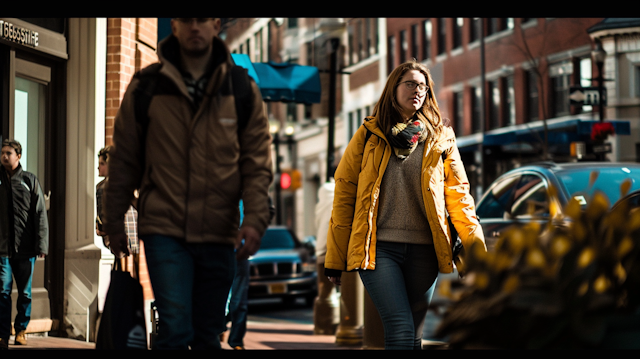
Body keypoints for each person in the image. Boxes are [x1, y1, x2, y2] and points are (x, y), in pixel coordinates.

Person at [102, 18, 273, 350]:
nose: (195, 27)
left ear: (215, 25)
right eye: (186, 19)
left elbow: (256, 163)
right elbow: (124, 161)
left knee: (208, 334)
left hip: (219, 230)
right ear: (175, 25)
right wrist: (114, 220)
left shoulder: (239, 87)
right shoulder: (147, 85)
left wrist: (254, 218)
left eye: (203, 19)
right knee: (176, 329)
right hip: (165, 229)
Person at [324, 60, 486, 350]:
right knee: (399, 327)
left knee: (414, 337)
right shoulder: (369, 134)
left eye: (423, 86)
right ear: (394, 88)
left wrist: (477, 253)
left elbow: (460, 196)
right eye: (410, 83)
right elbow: (345, 193)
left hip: (425, 250)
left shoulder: (441, 137)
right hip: (379, 249)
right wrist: (335, 258)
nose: (418, 91)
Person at [0, 139, 49, 349]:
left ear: (18, 156)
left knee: (25, 293)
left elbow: (40, 214)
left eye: (8, 153)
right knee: (2, 291)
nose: (4, 156)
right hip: (3, 249)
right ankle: (3, 335)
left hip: (26, 248)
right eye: (2, 153)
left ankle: (21, 330)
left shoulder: (30, 181)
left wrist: (42, 244)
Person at [95, 146, 140, 275]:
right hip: (130, 234)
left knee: (121, 272)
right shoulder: (127, 183)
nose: (99, 167)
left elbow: (102, 217)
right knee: (129, 272)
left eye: (102, 164)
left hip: (119, 234)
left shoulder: (104, 187)